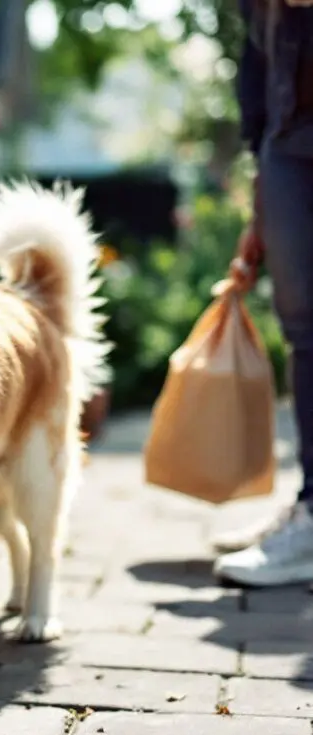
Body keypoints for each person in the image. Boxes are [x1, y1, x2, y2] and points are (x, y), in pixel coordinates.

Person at [212, 0, 313, 586]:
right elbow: (258, 59)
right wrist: (262, 194)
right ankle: (312, 512)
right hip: (289, 142)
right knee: (303, 328)